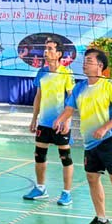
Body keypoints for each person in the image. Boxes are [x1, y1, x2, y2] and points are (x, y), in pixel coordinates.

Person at [55, 48, 112, 224]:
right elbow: (69, 108)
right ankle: (102, 219)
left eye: (89, 60)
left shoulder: (110, 85)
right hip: (90, 143)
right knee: (92, 178)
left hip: (110, 139)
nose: (84, 63)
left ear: (100, 65)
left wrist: (105, 128)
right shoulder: (79, 87)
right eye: (85, 60)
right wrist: (60, 119)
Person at [24, 38, 75, 206]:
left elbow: (71, 99)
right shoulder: (42, 72)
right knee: (39, 155)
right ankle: (41, 189)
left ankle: (66, 193)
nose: (46, 52)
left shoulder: (66, 73)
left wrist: (67, 120)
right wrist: (34, 119)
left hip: (60, 122)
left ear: (59, 54)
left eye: (50, 49)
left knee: (65, 157)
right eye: (46, 49)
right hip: (44, 122)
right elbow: (38, 97)